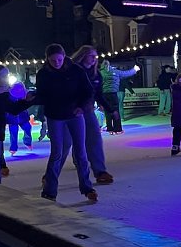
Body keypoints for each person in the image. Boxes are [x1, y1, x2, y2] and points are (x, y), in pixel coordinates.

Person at [37, 44, 98, 202]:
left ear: (64, 57)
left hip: (74, 114)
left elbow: (88, 91)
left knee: (80, 152)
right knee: (57, 152)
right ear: (47, 59)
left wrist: (82, 107)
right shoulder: (44, 74)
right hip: (55, 116)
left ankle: (87, 187)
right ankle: (50, 190)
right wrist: (31, 98)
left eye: (59, 59)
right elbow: (42, 95)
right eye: (52, 60)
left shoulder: (76, 71)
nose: (56, 63)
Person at [61, 45, 116, 184]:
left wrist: (111, 109)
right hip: (70, 111)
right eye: (91, 56)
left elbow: (98, 94)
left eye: (95, 56)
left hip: (87, 110)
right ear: (83, 55)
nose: (94, 59)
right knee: (65, 143)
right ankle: (51, 174)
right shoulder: (71, 71)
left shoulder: (96, 75)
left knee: (94, 139)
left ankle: (100, 171)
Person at [100, 60, 138, 134]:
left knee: (107, 111)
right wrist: (134, 69)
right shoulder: (115, 72)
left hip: (104, 94)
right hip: (113, 93)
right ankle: (117, 129)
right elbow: (125, 73)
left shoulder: (101, 73)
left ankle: (110, 128)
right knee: (115, 111)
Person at [6, 81, 33, 155]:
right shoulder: (9, 94)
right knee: (13, 132)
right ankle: (13, 148)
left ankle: (27, 142)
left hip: (22, 116)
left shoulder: (24, 94)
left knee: (27, 127)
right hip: (12, 117)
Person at [26, 73, 48, 142]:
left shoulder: (41, 87)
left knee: (45, 122)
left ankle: (45, 134)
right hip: (44, 107)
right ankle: (44, 134)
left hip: (46, 107)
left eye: (31, 78)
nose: (31, 80)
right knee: (45, 122)